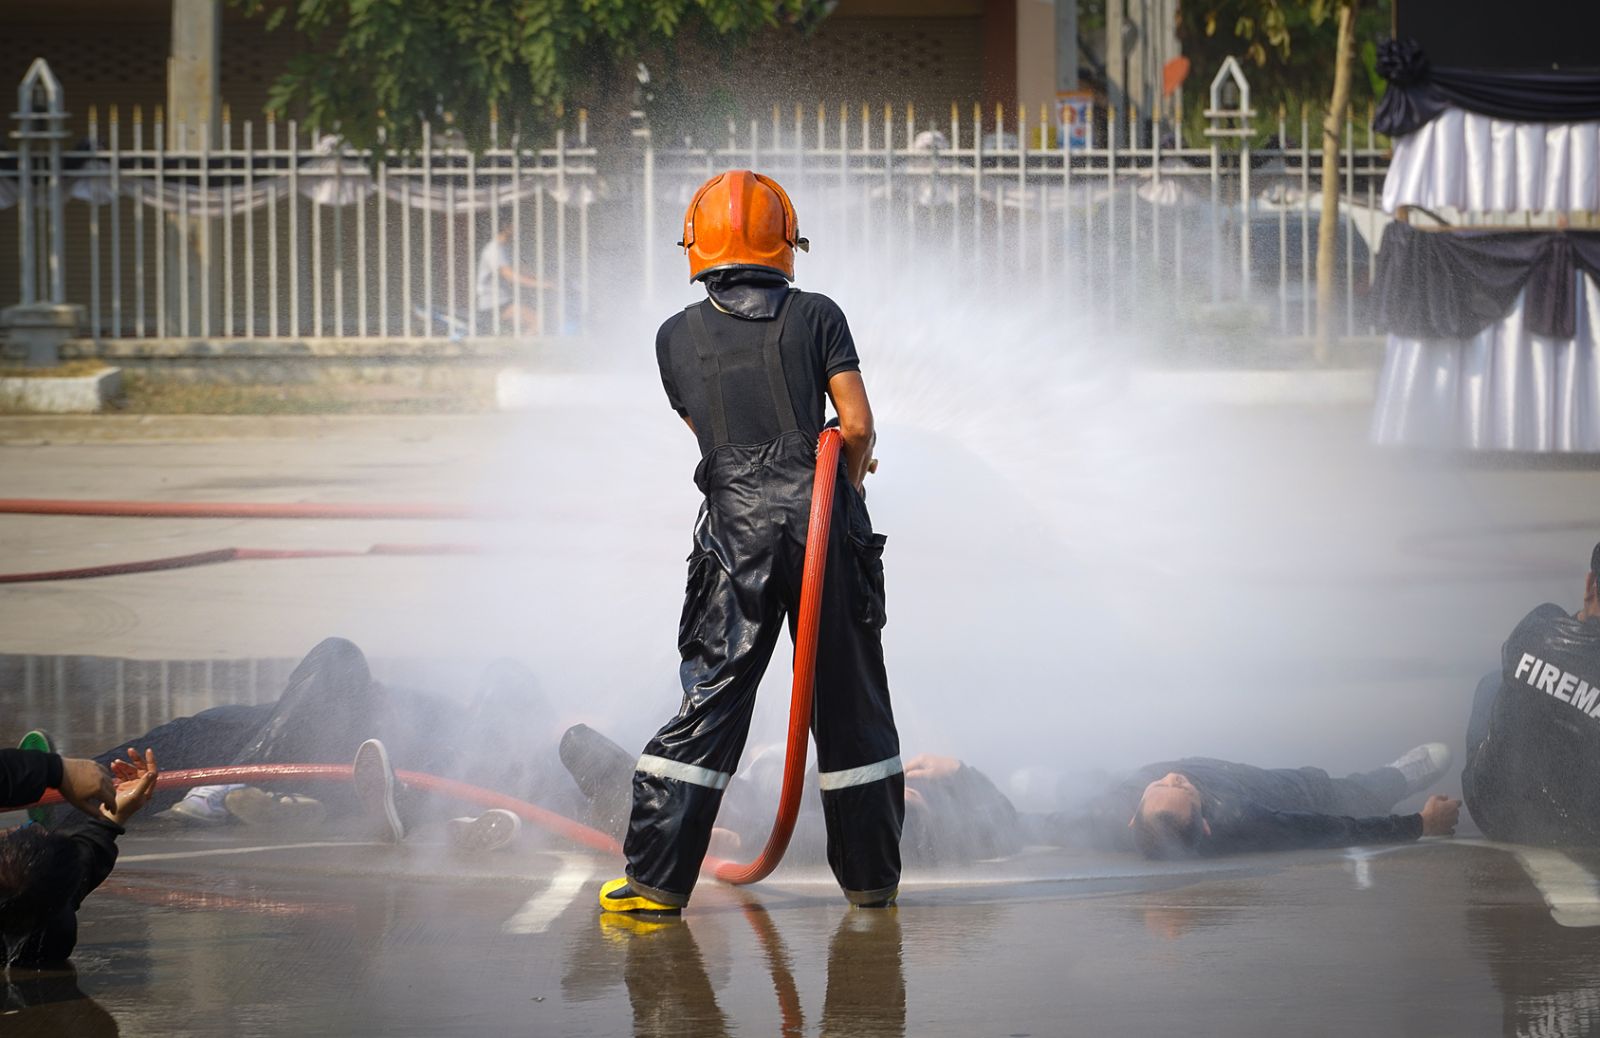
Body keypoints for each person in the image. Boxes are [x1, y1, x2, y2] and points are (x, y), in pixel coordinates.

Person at [600, 169, 903, 915]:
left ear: (695, 247)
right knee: (851, 701)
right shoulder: (818, 315)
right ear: (786, 243)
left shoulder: (674, 336)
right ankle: (871, 885)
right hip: (825, 527)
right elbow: (856, 428)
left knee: (712, 697)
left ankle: (654, 883)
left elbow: (709, 442)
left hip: (736, 533)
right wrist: (847, 485)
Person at [1046, 743, 1461, 858]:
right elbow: (1331, 829)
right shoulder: (1239, 818)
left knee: (1098, 789)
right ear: (1205, 824)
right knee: (1352, 795)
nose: (1174, 777)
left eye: (1161, 786)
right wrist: (1421, 823)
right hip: (1285, 789)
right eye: (1182, 789)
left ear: (1134, 818)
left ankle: (1069, 774)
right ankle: (1398, 774)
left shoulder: (1110, 815)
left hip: (1216, 775)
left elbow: (1046, 824)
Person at [1462, 541, 1600, 846]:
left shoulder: (1539, 623)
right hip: (1583, 832)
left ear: (1590, 584)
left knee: (1491, 682)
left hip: (1491, 809)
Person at [0, 748, 158, 966]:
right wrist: (111, 818)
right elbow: (74, 869)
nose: (26, 825)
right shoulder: (48, 937)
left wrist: (51, 769)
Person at [474, 226, 541, 333]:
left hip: (505, 300)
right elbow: (509, 275)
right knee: (537, 322)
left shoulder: (506, 248)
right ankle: (524, 349)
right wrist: (540, 284)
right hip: (495, 304)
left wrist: (547, 279)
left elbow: (523, 269)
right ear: (507, 226)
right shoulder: (494, 250)